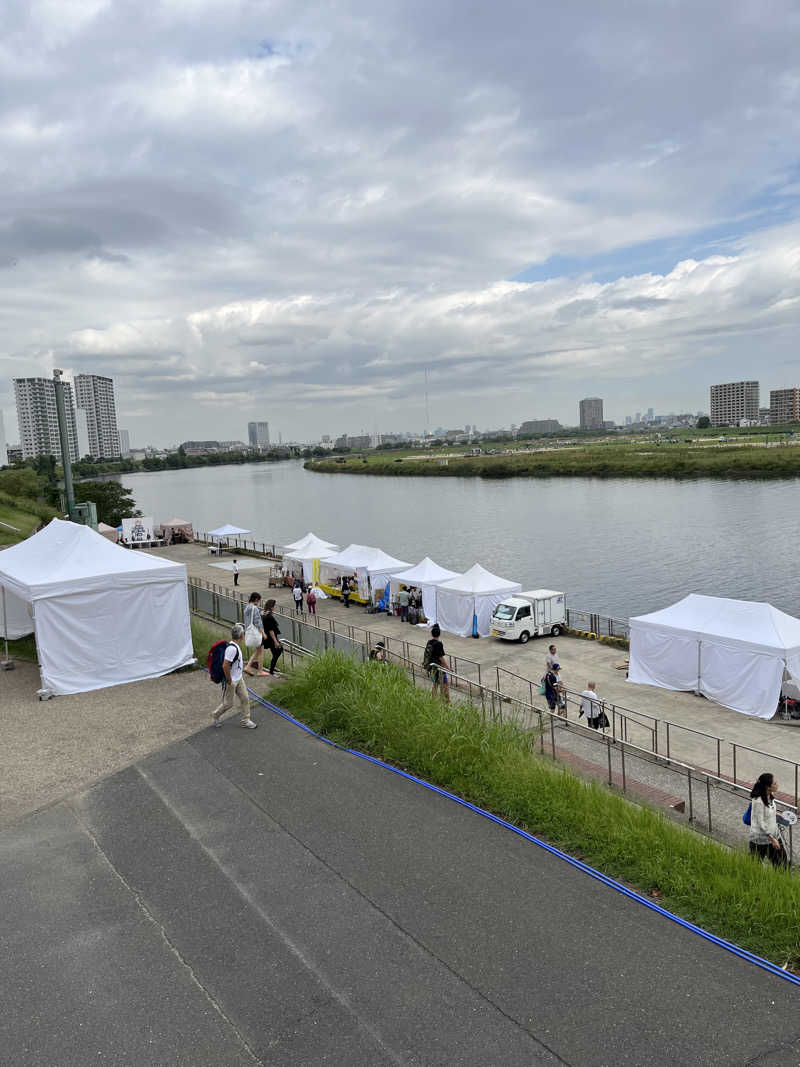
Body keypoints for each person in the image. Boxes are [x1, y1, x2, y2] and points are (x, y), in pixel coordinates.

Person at [211, 624, 258, 729]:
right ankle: (215, 715)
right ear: (241, 635)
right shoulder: (232, 649)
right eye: (243, 634)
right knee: (228, 703)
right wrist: (229, 680)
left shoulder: (235, 646)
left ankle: (246, 720)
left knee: (245, 698)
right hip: (232, 681)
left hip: (238, 678)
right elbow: (225, 665)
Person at [748, 772, 787, 867]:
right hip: (760, 840)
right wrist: (773, 840)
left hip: (774, 836)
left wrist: (777, 816)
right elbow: (760, 823)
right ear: (767, 786)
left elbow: (768, 812)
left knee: (783, 864)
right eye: (774, 783)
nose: (777, 785)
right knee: (754, 866)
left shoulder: (770, 796)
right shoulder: (758, 801)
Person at [243, 592, 268, 676]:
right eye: (259, 600)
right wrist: (263, 633)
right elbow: (257, 622)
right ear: (256, 599)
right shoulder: (255, 608)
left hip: (248, 630)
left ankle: (248, 666)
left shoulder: (247, 607)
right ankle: (260, 671)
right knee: (260, 650)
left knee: (258, 650)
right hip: (256, 632)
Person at [425, 624, 450, 703]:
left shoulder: (429, 642)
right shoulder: (438, 644)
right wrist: (448, 667)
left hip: (431, 667)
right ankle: (447, 701)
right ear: (439, 634)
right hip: (438, 668)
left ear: (432, 633)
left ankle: (433, 701)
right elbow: (440, 657)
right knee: (445, 684)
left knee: (435, 684)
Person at [262, 598, 284, 675]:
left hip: (267, 636)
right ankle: (271, 671)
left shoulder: (264, 613)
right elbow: (271, 630)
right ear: (271, 607)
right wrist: (275, 641)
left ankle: (272, 668)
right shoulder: (269, 616)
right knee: (278, 650)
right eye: (273, 606)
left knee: (275, 652)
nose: (274, 608)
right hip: (270, 638)